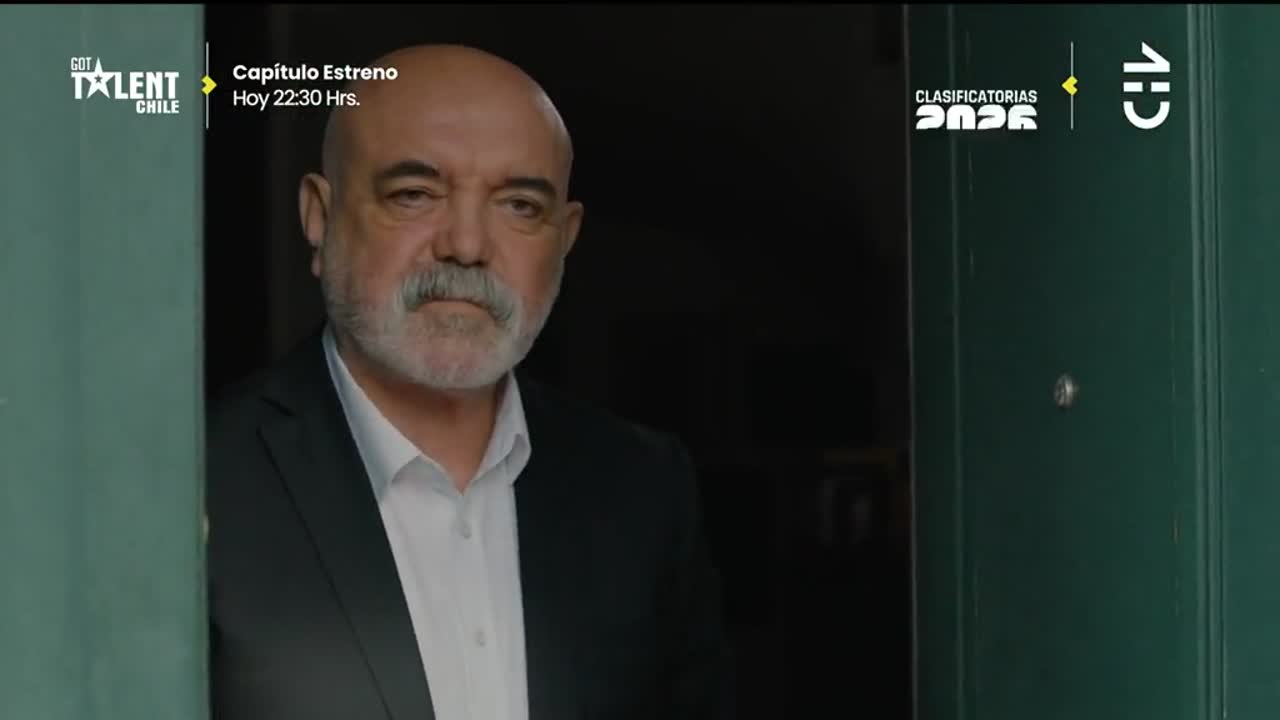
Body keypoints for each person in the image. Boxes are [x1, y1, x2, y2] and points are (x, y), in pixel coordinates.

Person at [205, 44, 736, 720]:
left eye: (519, 205)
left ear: (565, 240)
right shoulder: (193, 482)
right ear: (319, 215)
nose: (466, 245)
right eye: (414, 194)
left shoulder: (643, 489)